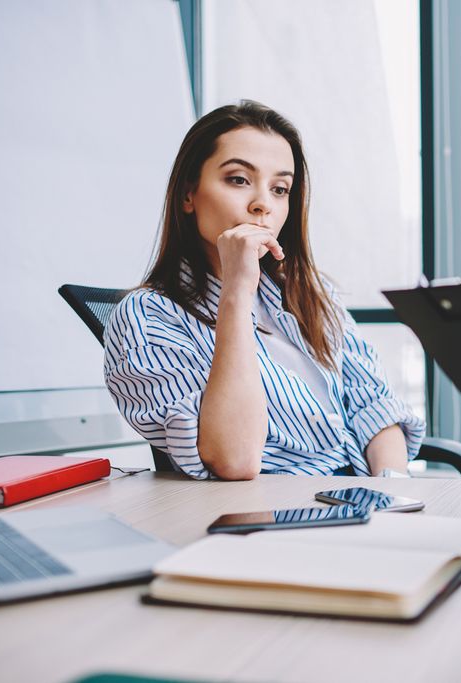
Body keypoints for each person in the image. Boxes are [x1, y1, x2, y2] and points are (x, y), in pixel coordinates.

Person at [104, 101, 424, 480]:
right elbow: (234, 460)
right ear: (189, 194)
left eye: (280, 188)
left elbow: (374, 406)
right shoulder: (146, 316)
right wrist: (237, 291)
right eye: (238, 180)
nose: (262, 205)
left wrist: (395, 492)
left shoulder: (310, 295)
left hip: (362, 497)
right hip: (273, 513)